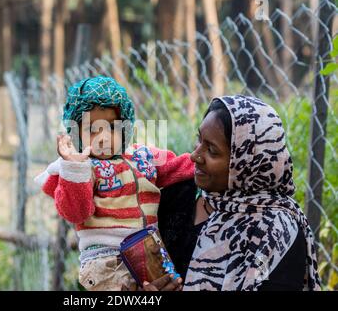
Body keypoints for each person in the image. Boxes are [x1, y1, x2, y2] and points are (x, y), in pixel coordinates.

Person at [34, 76, 195, 291]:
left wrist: (205, 161)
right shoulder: (80, 167)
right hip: (106, 263)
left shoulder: (142, 156)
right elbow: (76, 213)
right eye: (92, 129)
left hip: (149, 253)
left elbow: (181, 166)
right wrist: (75, 169)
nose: (104, 137)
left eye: (112, 127)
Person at [149, 95, 321, 291]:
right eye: (199, 140)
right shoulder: (178, 195)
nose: (195, 155)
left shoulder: (273, 232)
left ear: (246, 164)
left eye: (212, 150)